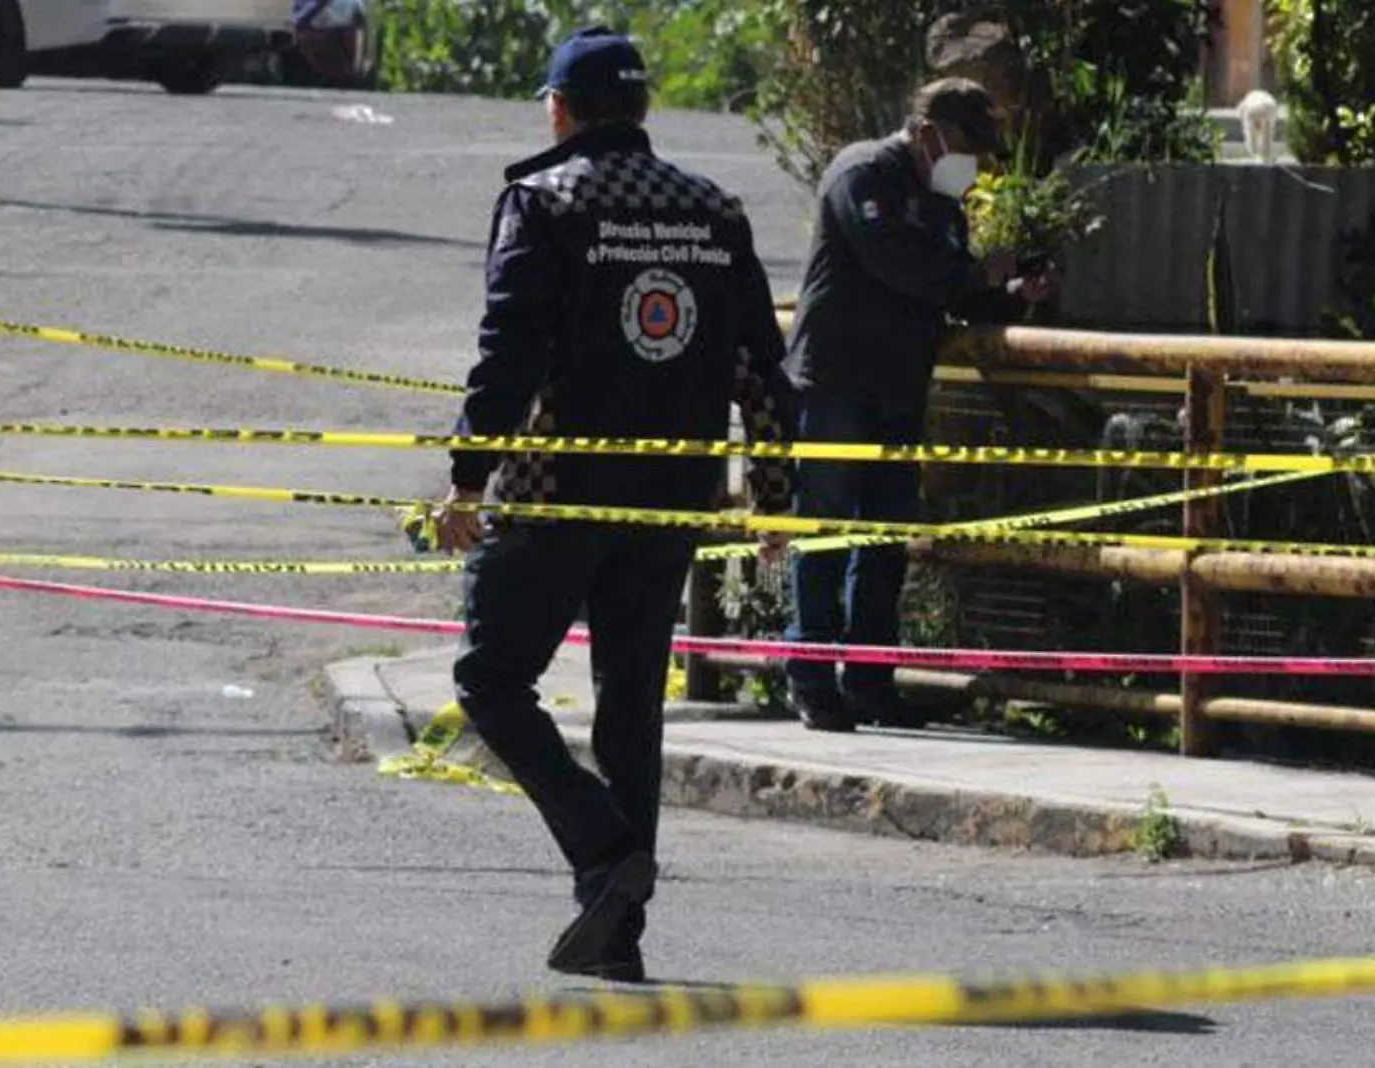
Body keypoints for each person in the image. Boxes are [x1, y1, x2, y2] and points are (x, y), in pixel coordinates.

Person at [433, 26, 797, 981]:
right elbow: (762, 366)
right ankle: (617, 929)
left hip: (558, 493)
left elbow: (508, 350)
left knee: (490, 678)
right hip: (674, 495)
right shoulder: (712, 208)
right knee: (631, 708)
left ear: (560, 108)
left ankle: (602, 852)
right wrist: (774, 495)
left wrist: (468, 478)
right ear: (640, 111)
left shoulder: (544, 200)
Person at [781, 77, 1058, 733]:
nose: (978, 165)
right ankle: (812, 679)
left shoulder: (942, 205)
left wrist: (1015, 291)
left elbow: (953, 290)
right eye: (971, 146)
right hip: (837, 384)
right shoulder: (863, 172)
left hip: (899, 389)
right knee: (822, 534)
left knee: (883, 545)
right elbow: (897, 265)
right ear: (930, 131)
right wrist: (979, 273)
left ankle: (871, 682)